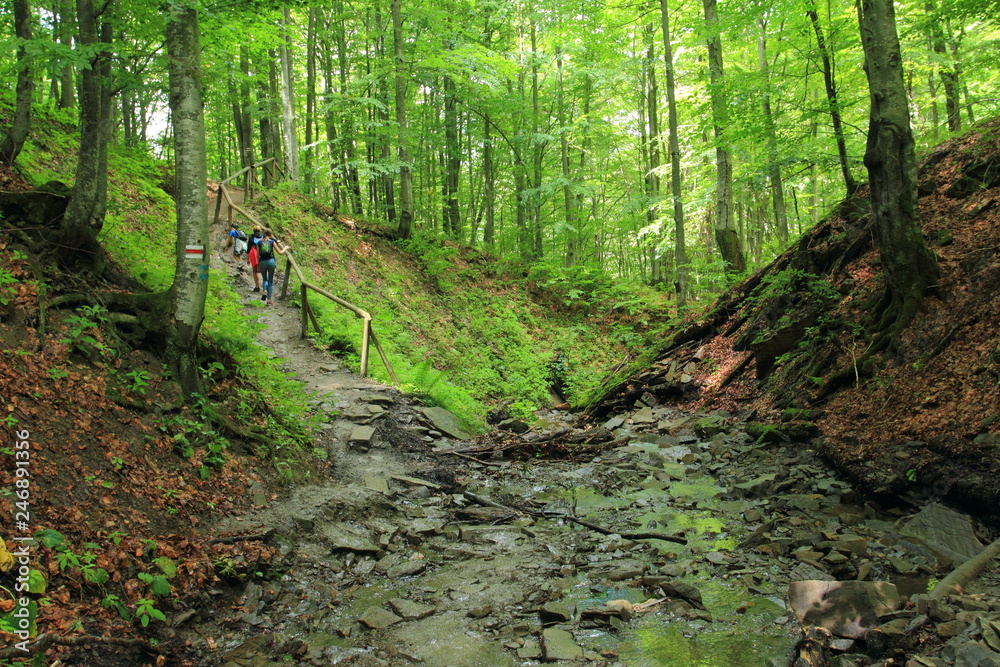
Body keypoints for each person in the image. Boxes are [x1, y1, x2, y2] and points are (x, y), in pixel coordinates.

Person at [256, 228, 289, 305]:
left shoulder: (259, 242)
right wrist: (285, 248)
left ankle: (264, 290)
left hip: (262, 262)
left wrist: (258, 264)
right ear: (270, 235)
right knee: (270, 281)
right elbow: (280, 252)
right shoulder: (271, 242)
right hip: (271, 261)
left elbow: (258, 255)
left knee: (265, 279)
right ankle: (269, 300)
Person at [247, 225, 263, 292]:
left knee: (255, 271)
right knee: (264, 271)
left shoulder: (251, 237)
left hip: (254, 253)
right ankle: (266, 288)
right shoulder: (263, 236)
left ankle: (257, 286)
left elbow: (248, 248)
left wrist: (247, 258)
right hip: (263, 253)